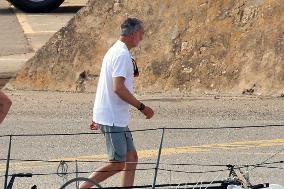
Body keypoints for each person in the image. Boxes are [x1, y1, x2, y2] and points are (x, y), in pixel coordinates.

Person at [79, 18, 154, 189]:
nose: (142, 38)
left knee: (132, 159)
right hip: (111, 117)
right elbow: (118, 88)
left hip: (114, 116)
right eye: (141, 34)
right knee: (118, 163)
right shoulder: (121, 54)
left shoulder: (119, 51)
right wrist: (142, 107)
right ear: (133, 34)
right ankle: (82, 188)